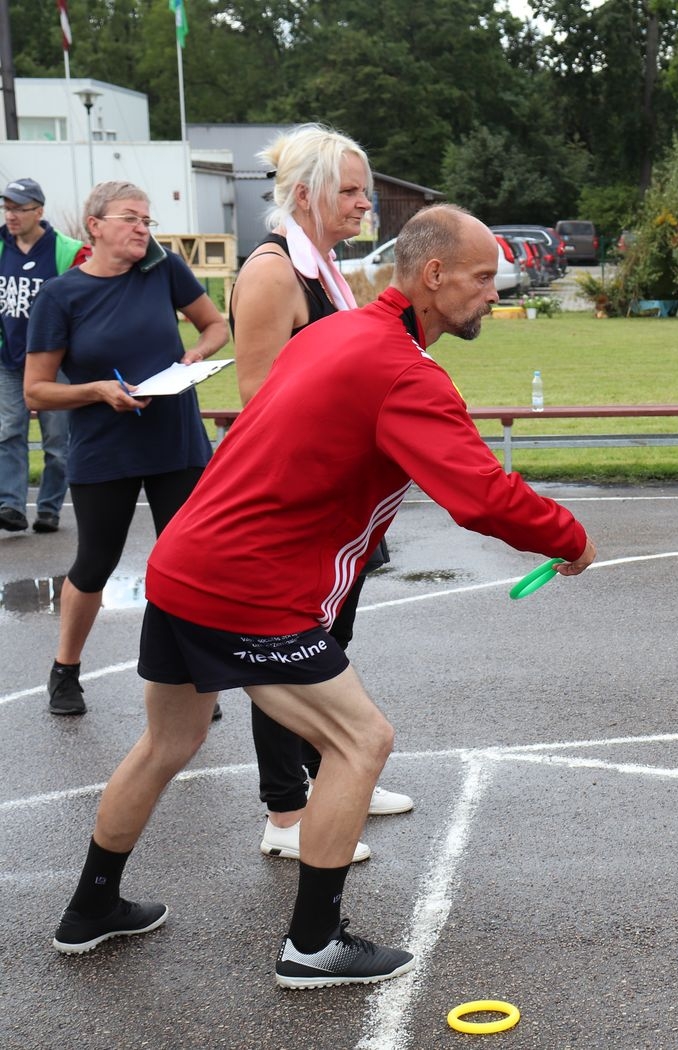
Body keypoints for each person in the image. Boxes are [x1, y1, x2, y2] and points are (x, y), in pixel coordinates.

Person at [48, 204, 597, 990]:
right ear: (433, 277)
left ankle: (90, 909)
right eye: (481, 277)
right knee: (361, 741)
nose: (492, 289)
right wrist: (569, 538)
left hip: (186, 564)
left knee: (168, 742)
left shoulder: (337, 333)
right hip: (247, 585)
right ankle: (313, 943)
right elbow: (480, 495)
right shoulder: (404, 372)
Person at [230, 124, 412, 867]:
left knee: (328, 647)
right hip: (292, 504)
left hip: (336, 498)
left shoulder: (328, 268)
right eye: (350, 190)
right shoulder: (274, 272)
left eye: (364, 189)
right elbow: (258, 399)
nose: (365, 203)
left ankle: (338, 772)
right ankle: (285, 809)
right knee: (286, 656)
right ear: (303, 194)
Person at [24, 181, 229, 715]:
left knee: (187, 561)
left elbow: (216, 325)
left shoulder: (163, 271)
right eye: (131, 218)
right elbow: (36, 390)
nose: (143, 228)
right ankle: (65, 670)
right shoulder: (60, 295)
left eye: (147, 220)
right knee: (95, 563)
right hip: (104, 446)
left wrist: (196, 354)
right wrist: (98, 390)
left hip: (176, 440)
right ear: (96, 226)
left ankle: (194, 674)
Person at [1, 178, 88, 534]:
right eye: (7, 208)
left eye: (19, 209)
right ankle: (10, 505)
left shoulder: (65, 250)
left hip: (54, 362)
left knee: (57, 441)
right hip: (9, 359)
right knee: (8, 432)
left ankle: (50, 508)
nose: (11, 216)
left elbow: (83, 299)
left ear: (39, 211)